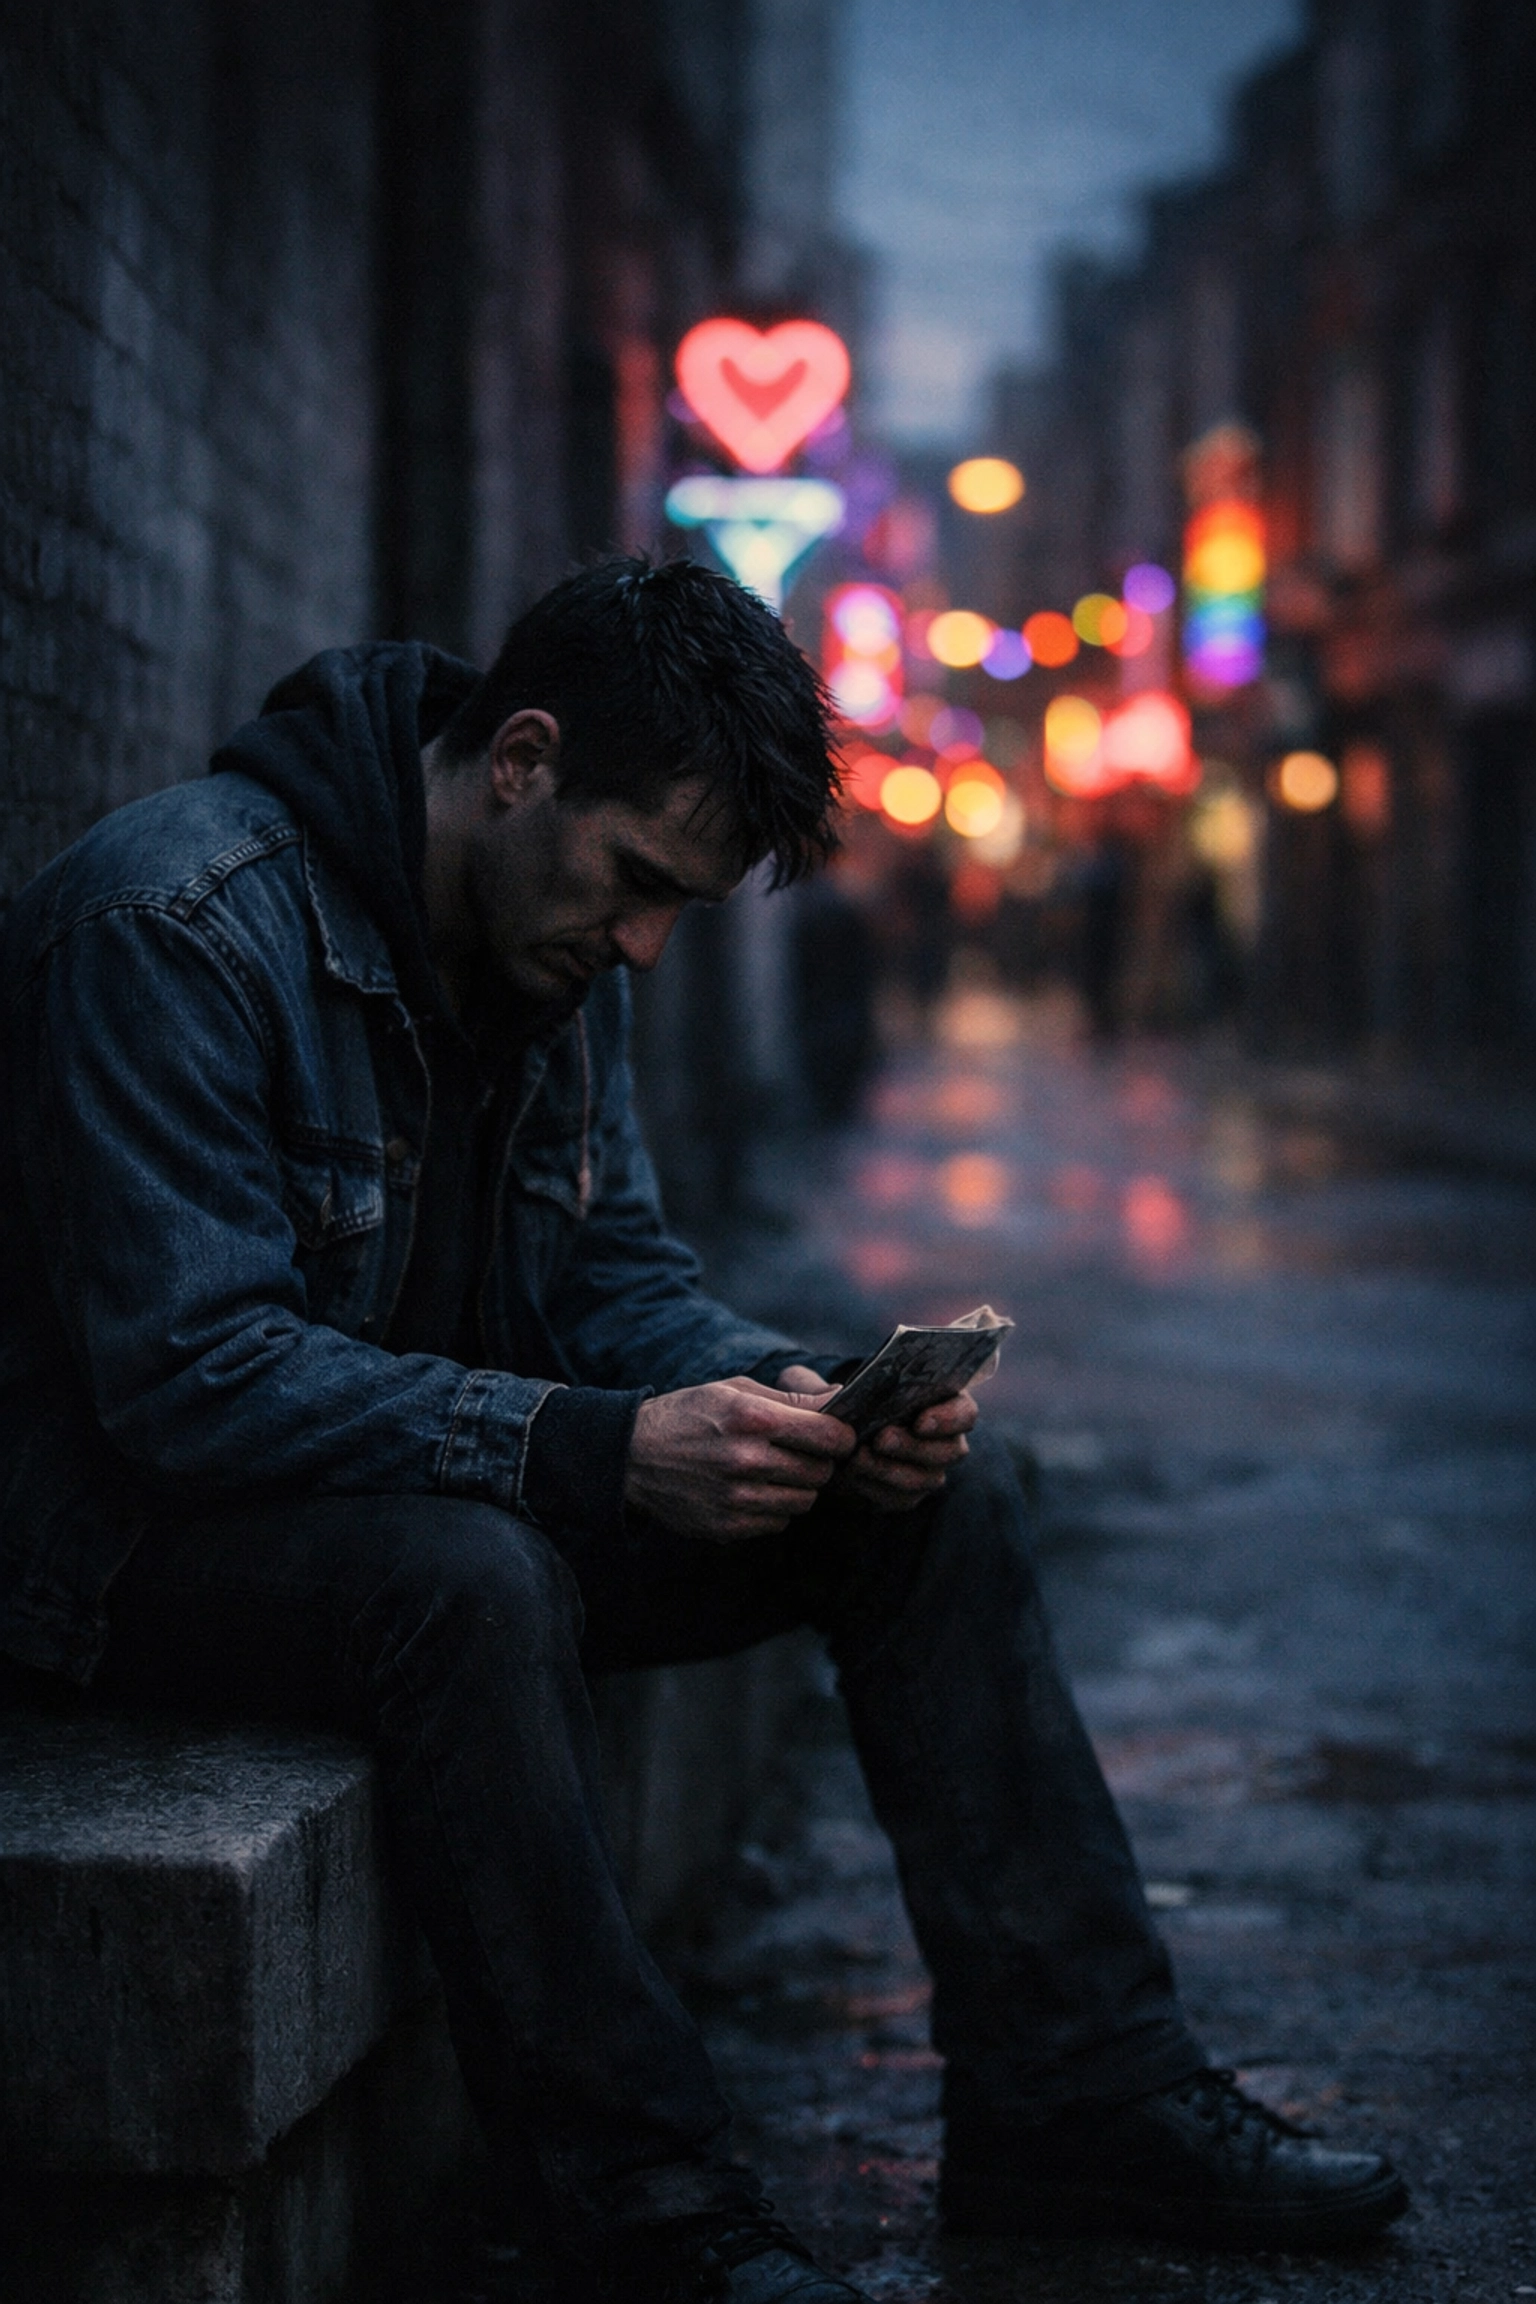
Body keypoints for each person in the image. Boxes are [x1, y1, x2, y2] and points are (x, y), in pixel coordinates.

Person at [0, 560, 1407, 2301]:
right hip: (122, 1554)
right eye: (638, 884)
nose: (648, 945)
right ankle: (647, 2208)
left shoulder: (552, 939)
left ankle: (1079, 2092)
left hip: (439, 1497)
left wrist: (789, 1402)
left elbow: (617, 1278)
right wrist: (593, 1449)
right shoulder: (176, 923)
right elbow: (190, 1379)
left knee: (939, 1505)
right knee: (474, 1577)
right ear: (518, 760)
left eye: (682, 905)